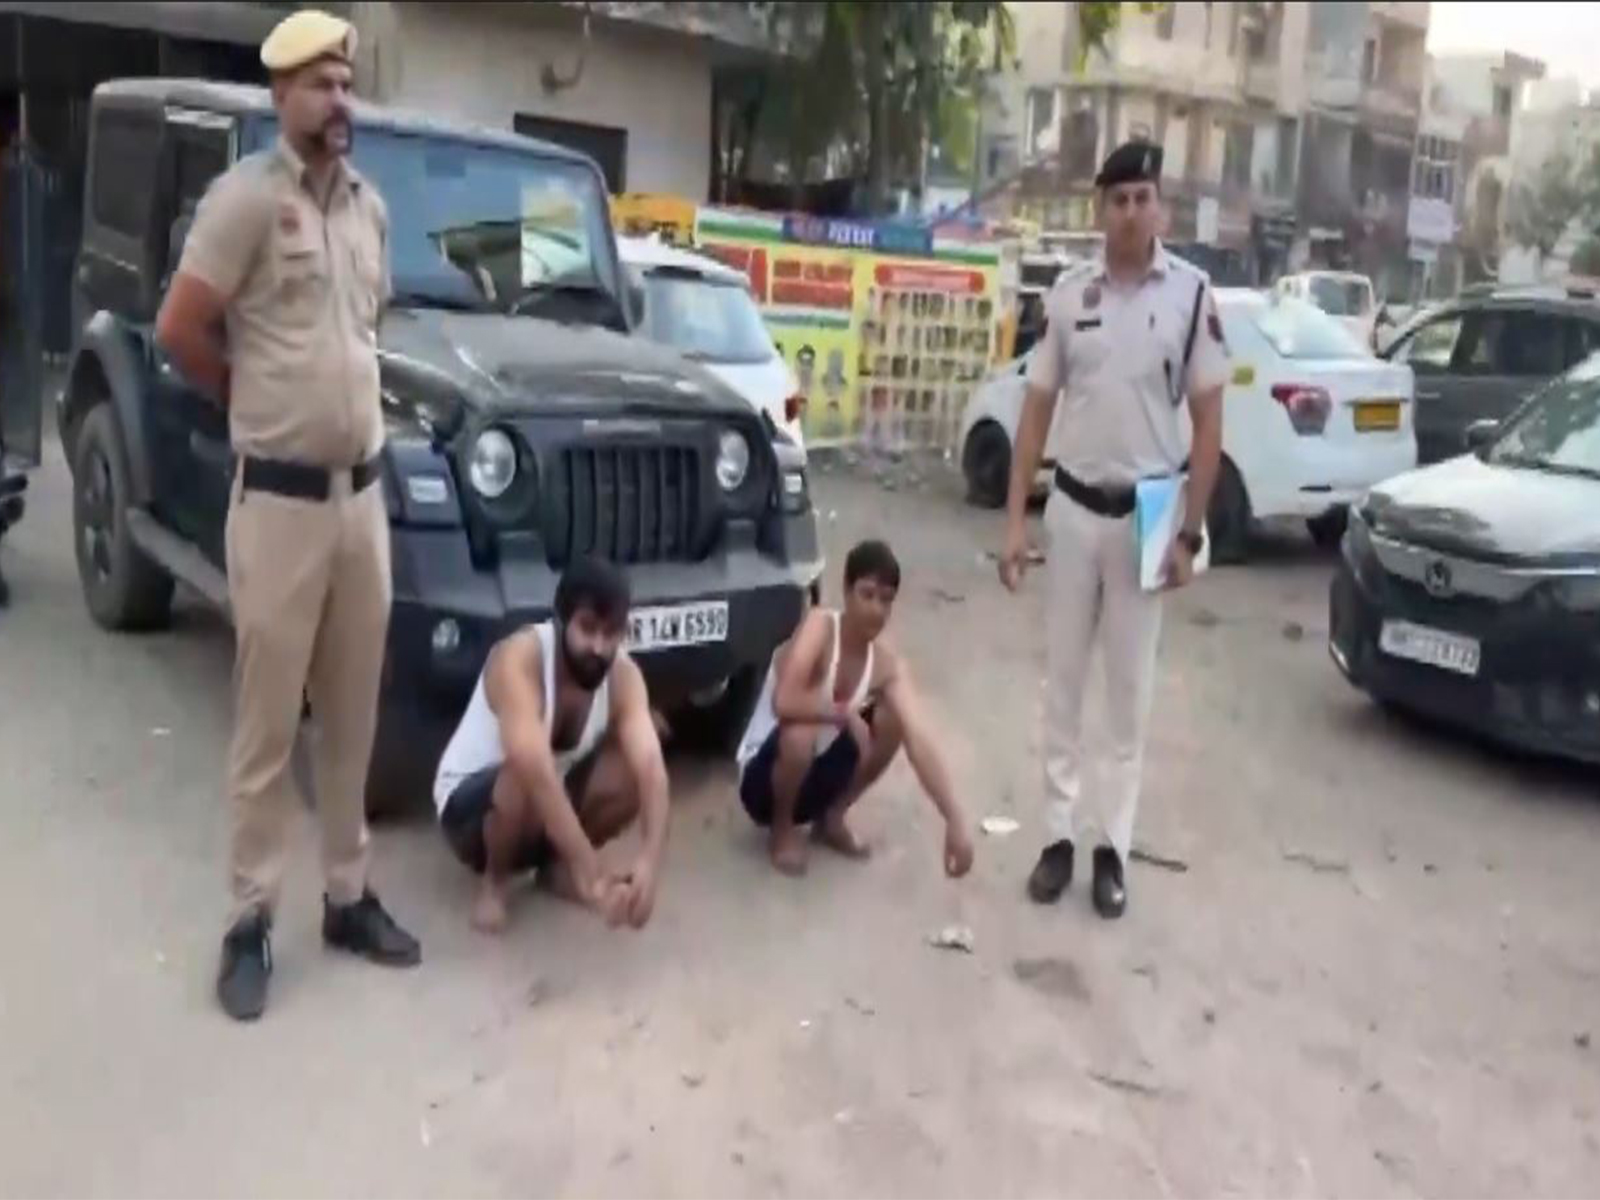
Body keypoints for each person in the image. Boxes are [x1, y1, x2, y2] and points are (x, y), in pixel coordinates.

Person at [154, 9, 418, 1021]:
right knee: (268, 729)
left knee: (351, 719)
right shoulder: (244, 203)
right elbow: (181, 326)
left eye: (346, 82)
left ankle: (346, 897)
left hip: (363, 503)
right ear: (279, 95)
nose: (338, 100)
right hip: (279, 504)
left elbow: (364, 333)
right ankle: (250, 919)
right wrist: (248, 404)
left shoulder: (369, 211)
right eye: (318, 84)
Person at [998, 140, 1229, 920]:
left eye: (1143, 198)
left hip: (1151, 514)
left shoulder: (1193, 295)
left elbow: (1207, 423)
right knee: (1061, 687)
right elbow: (1036, 409)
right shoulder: (1069, 296)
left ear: (1160, 207)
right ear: (1100, 209)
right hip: (1069, 509)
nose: (1131, 212)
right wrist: (1012, 522)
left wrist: (1191, 534)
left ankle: (1112, 851)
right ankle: (1058, 839)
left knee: (1128, 701)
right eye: (1118, 199)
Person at [432, 558, 669, 934]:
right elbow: (533, 767)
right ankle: (495, 883)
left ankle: (555, 869)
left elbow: (652, 770)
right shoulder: (520, 658)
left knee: (636, 757)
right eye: (588, 629)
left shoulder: (623, 676)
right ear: (561, 619)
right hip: (470, 811)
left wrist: (650, 863)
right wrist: (589, 869)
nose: (599, 647)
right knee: (523, 771)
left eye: (611, 634)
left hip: (543, 799)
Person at [735, 540, 975, 880]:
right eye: (867, 594)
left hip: (815, 776)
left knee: (894, 720)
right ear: (846, 592)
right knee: (800, 731)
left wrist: (955, 820)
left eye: (886, 599)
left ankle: (832, 817)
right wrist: (842, 713)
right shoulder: (820, 627)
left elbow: (920, 739)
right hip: (762, 782)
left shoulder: (885, 664)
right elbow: (784, 701)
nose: (876, 609)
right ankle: (782, 829)